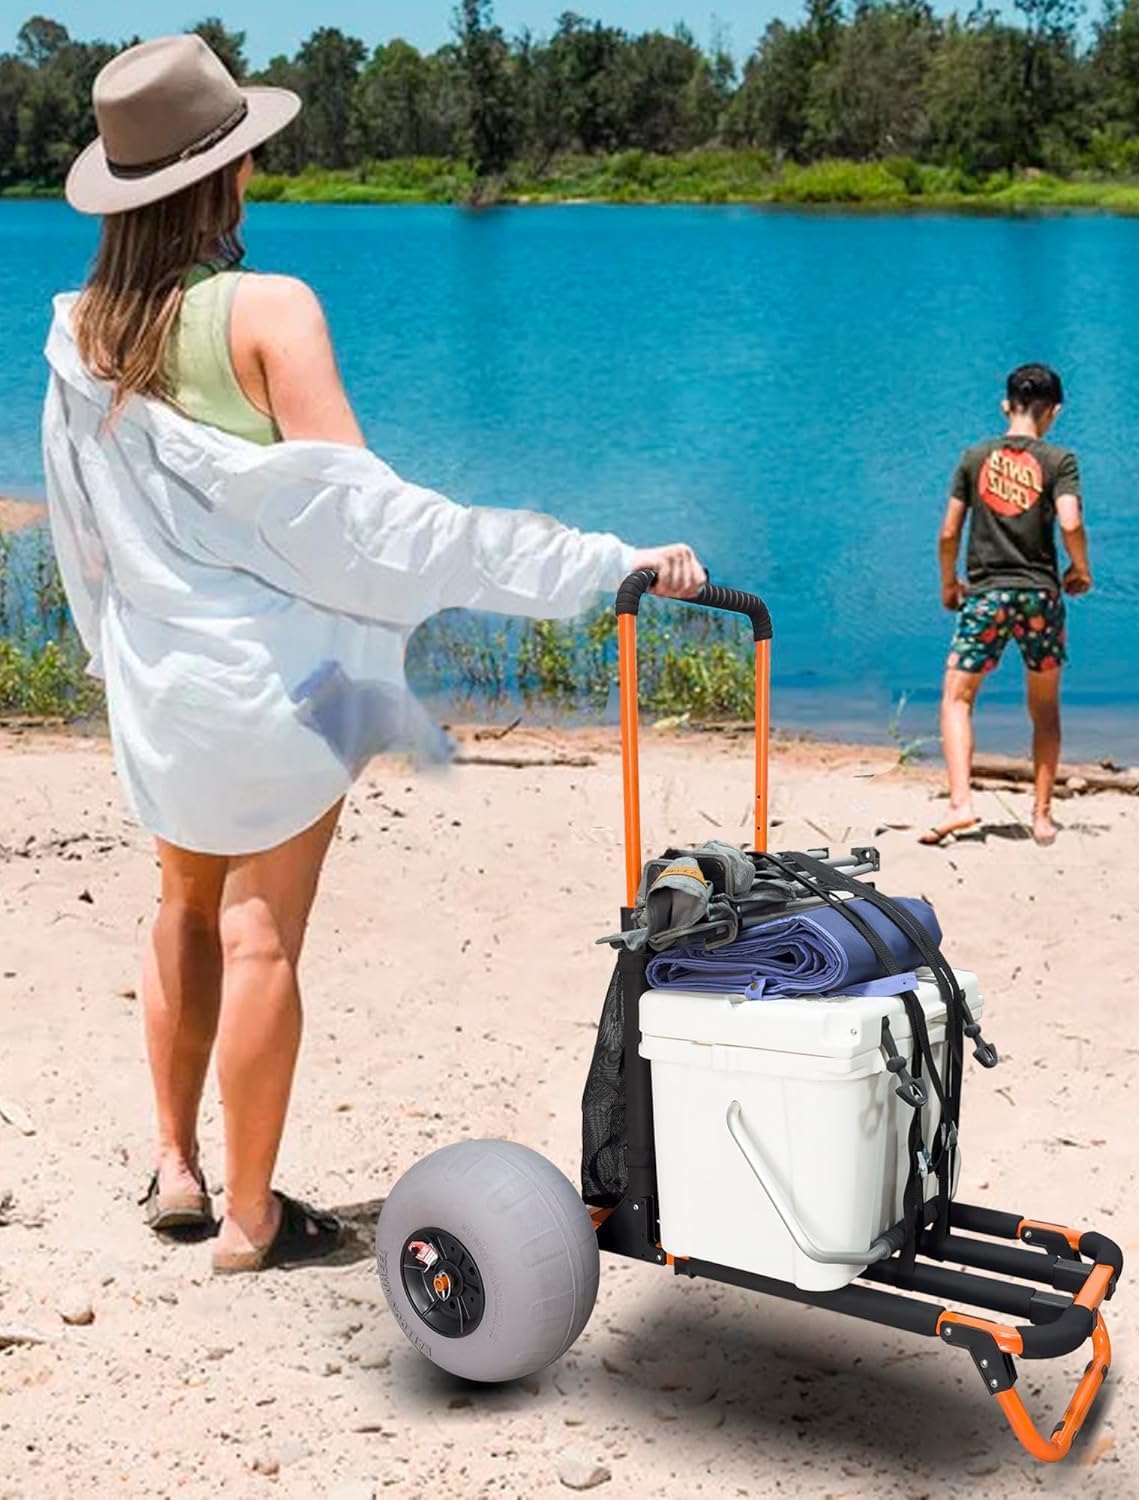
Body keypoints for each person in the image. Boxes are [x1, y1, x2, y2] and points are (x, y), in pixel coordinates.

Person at [45, 34, 706, 1273]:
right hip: (281, 693)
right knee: (263, 936)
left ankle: (179, 1169)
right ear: (225, 178)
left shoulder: (81, 334)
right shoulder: (271, 310)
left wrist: (117, 671)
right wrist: (595, 559)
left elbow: (87, 539)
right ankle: (251, 1219)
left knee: (180, 908)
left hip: (163, 686)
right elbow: (376, 527)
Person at [923, 363, 1092, 848]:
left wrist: (948, 583)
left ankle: (961, 804)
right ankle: (1040, 816)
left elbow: (948, 531)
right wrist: (1080, 569)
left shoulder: (974, 458)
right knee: (1044, 707)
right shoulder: (1060, 460)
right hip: (1040, 594)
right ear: (1054, 411)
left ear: (1005, 405)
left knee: (958, 697)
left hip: (986, 593)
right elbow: (1071, 522)